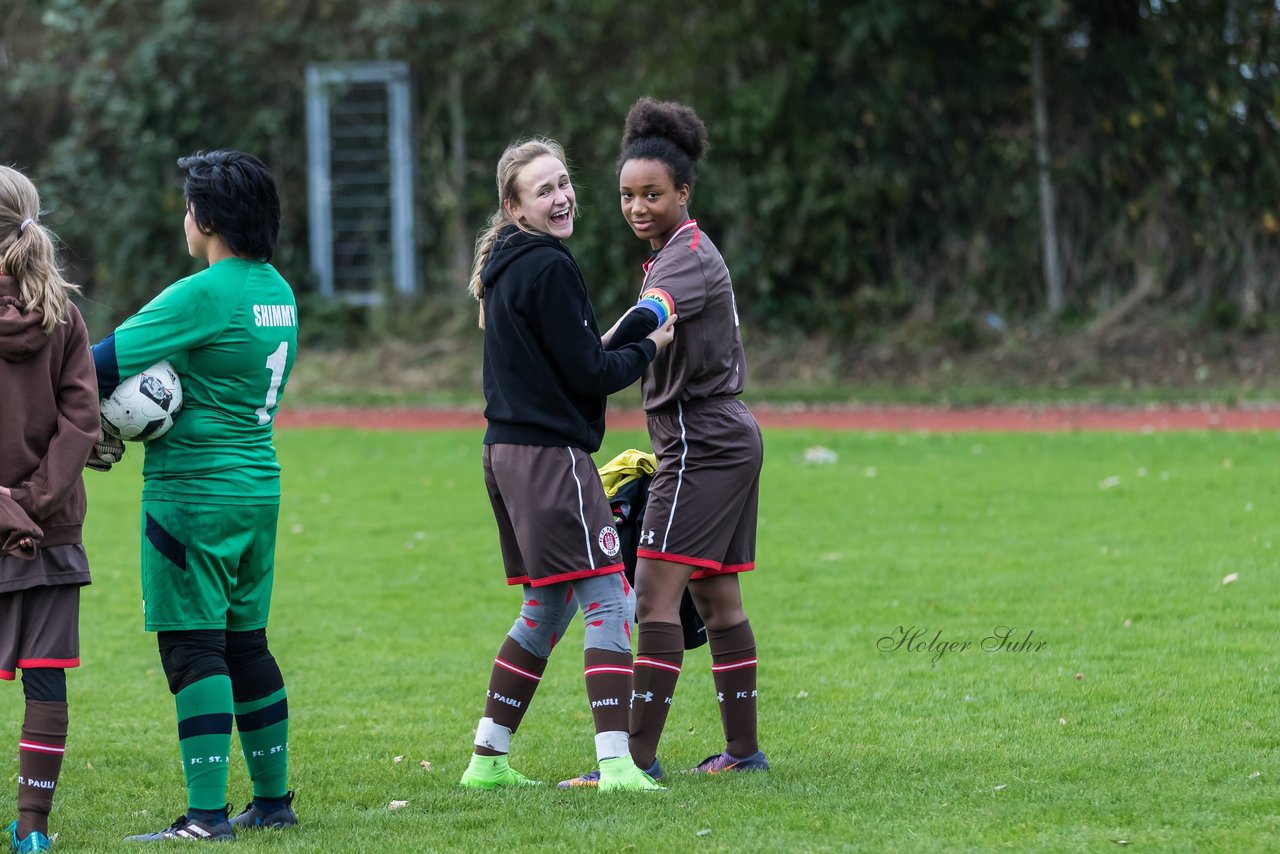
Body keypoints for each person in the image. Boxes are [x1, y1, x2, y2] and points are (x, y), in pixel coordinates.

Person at [91, 150, 299, 842]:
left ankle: (207, 818)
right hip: (256, 492)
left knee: (192, 652)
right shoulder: (278, 291)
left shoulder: (202, 293)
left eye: (189, 208)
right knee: (247, 646)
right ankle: (272, 804)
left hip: (191, 497)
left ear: (205, 220)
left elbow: (97, 364)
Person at [460, 138, 676, 794]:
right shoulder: (549, 264)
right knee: (610, 597)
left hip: (506, 454)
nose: (561, 198)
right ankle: (617, 765)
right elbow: (590, 372)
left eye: (563, 183)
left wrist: (619, 339)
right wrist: (651, 345)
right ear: (514, 206)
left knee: (547, 607)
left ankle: (488, 760)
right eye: (543, 190)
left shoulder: (507, 261)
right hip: (550, 458)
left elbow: (569, 359)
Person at [563, 98, 767, 787]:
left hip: (700, 440)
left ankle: (635, 762)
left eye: (653, 193)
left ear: (684, 192)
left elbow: (655, 315)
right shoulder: (678, 252)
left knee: (650, 599)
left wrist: (588, 356)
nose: (637, 206)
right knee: (716, 599)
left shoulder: (682, 258)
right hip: (724, 433)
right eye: (626, 194)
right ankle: (743, 753)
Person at [0, 166, 101, 854]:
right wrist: (33, 506)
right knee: (45, 678)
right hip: (49, 532)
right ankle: (33, 830)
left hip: (16, 525)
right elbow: (83, 422)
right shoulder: (64, 312)